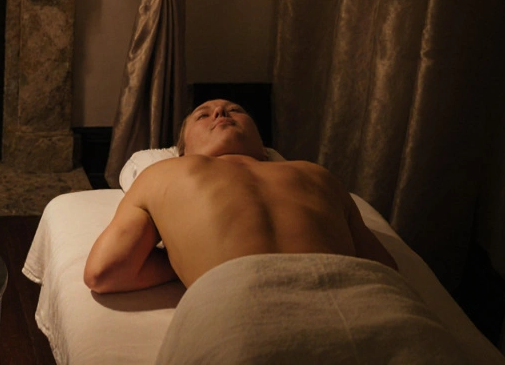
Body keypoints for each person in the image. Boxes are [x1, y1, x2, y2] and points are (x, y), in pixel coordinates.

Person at [84, 98, 395, 294]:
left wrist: (186, 258)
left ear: (261, 143)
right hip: (246, 308)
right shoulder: (163, 173)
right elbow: (103, 272)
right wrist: (186, 256)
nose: (220, 111)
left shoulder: (319, 175)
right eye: (202, 115)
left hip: (354, 302)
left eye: (236, 110)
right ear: (183, 151)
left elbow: (384, 273)